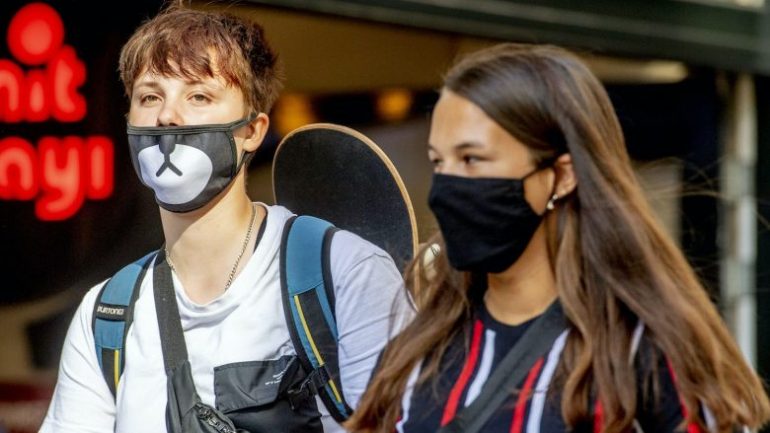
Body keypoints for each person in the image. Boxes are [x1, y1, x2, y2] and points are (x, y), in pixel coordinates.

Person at [345, 43, 770, 433]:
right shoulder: (416, 353)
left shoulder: (643, 354)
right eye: (439, 162)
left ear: (562, 175)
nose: (446, 186)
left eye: (472, 159)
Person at [39, 4, 409, 433]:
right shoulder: (106, 316)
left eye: (198, 96)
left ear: (252, 131)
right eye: (150, 97)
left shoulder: (342, 272)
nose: (167, 116)